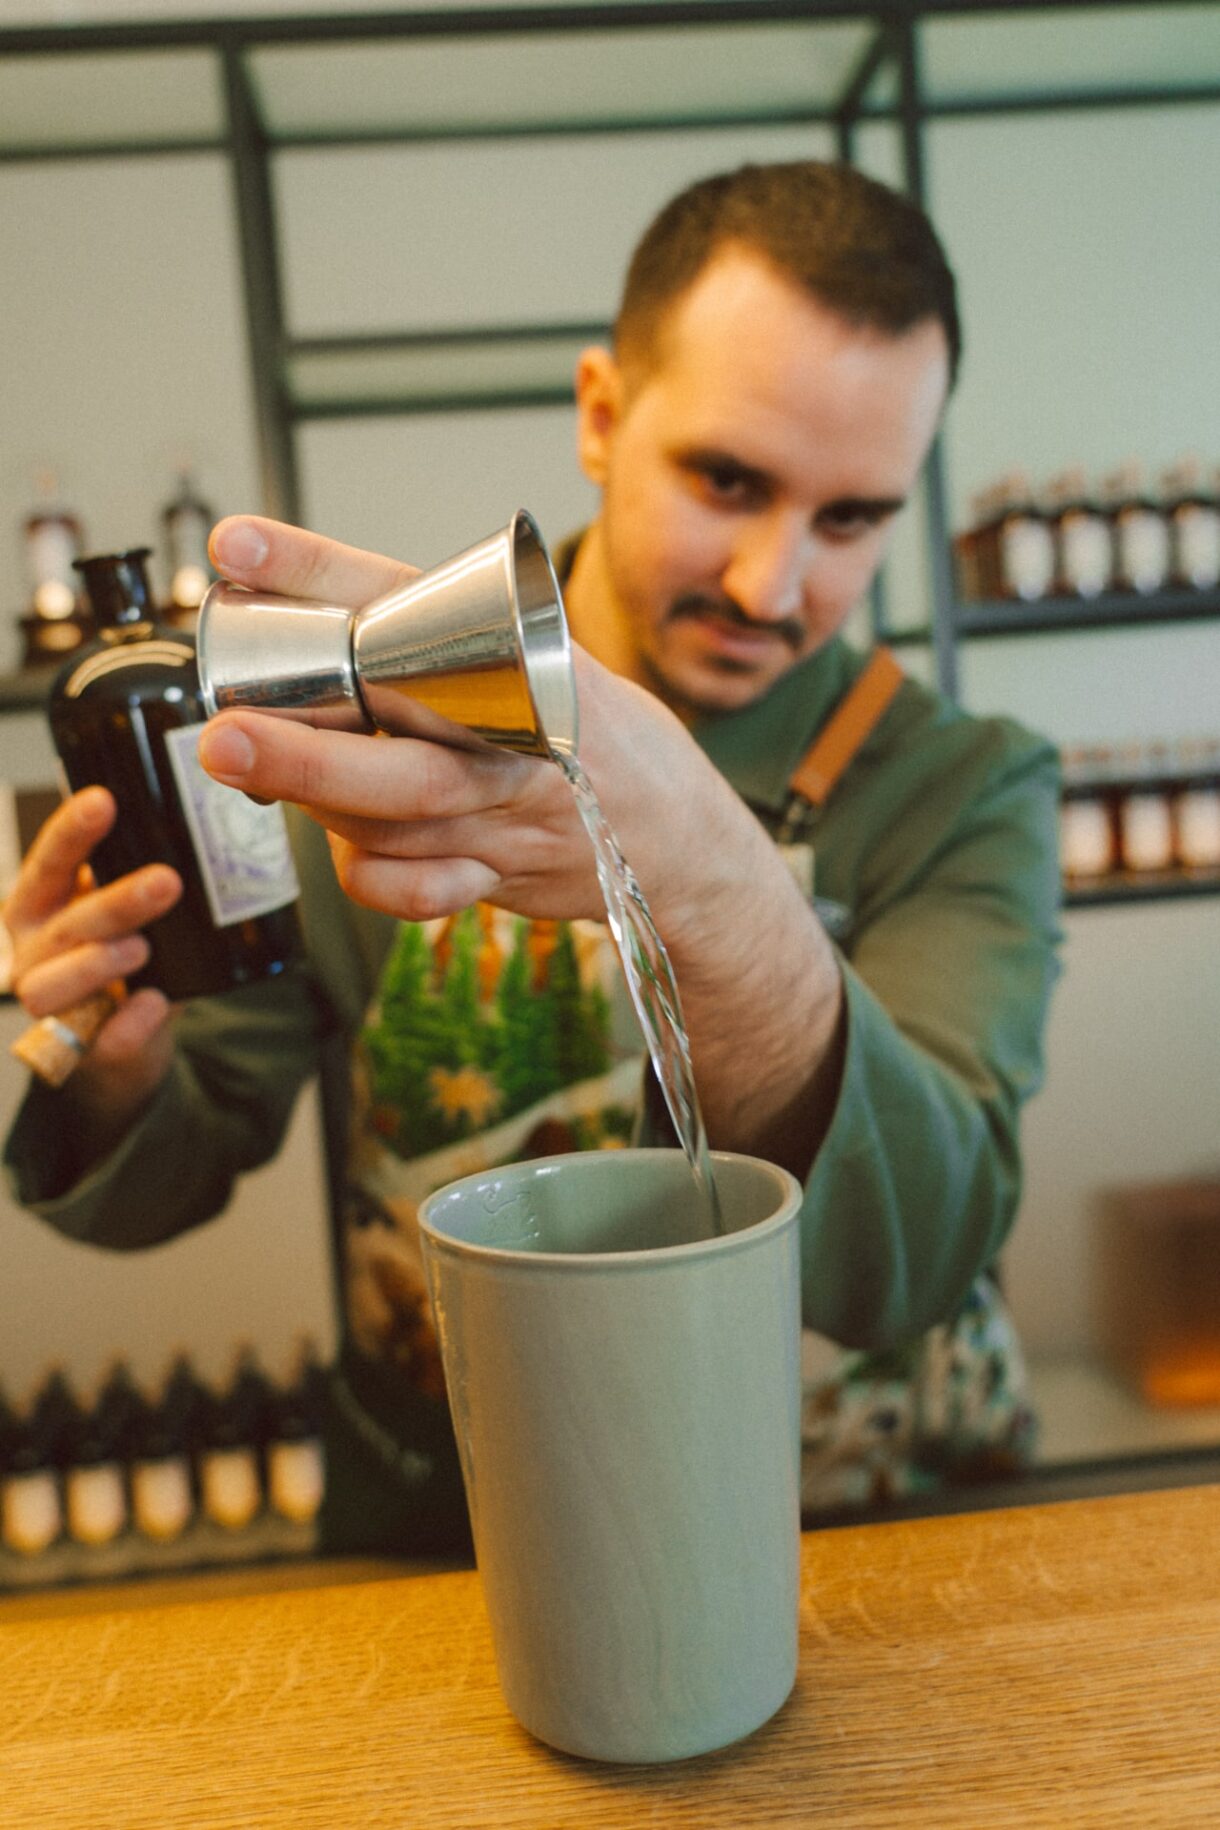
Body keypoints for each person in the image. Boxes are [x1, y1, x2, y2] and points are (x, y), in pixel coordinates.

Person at [3, 161, 1061, 1551]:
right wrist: (119, 1060)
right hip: (452, 1540)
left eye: (851, 516)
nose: (769, 582)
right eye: (726, 478)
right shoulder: (373, 728)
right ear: (603, 414)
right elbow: (176, 1163)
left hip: (846, 1548)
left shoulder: (964, 787)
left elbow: (918, 1251)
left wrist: (708, 868)